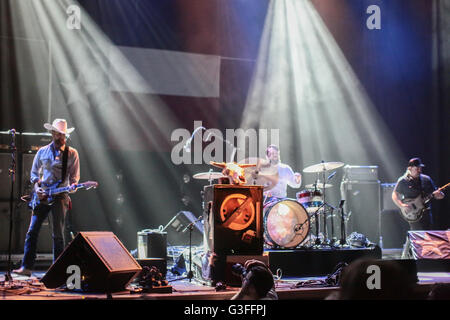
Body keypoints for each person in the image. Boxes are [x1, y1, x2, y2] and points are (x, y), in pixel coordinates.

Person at [13, 119, 80, 277]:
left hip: (60, 196)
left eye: (63, 135)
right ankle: (27, 267)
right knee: (32, 231)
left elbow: (75, 179)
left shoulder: (72, 153)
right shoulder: (42, 151)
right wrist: (37, 189)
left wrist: (73, 186)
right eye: (58, 134)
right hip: (42, 196)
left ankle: (57, 271)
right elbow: (34, 174)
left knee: (57, 234)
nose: (61, 138)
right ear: (52, 133)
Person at [392, 157, 444, 258]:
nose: (419, 170)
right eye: (417, 168)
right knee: (415, 233)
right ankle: (409, 257)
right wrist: (401, 205)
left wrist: (440, 195)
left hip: (426, 211)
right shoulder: (403, 181)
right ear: (410, 168)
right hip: (412, 213)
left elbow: (437, 194)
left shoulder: (426, 179)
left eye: (420, 168)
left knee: (428, 234)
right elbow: (394, 194)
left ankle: (427, 258)